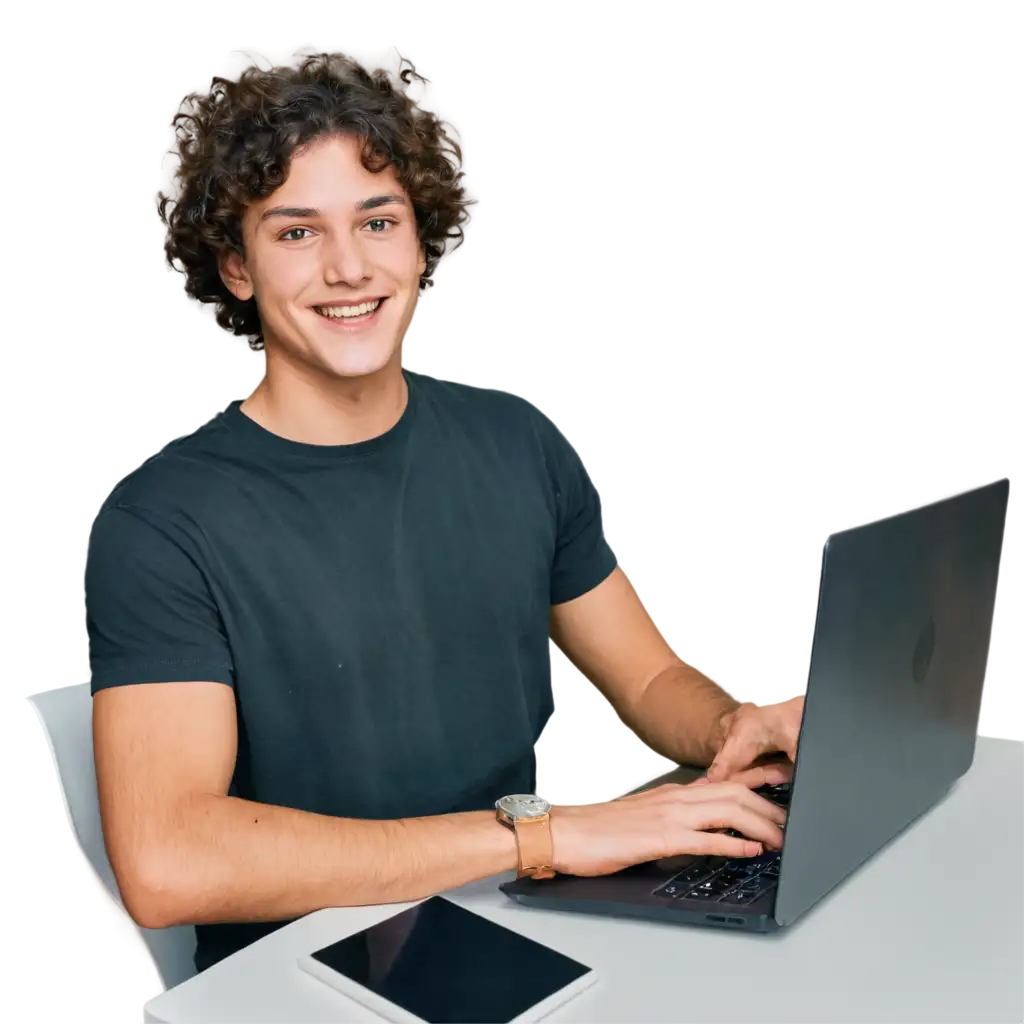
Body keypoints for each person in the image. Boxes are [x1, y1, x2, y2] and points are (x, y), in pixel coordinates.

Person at [80, 52, 804, 975]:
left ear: (419, 245)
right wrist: (545, 838)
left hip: (522, 920)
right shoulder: (159, 524)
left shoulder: (516, 442)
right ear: (235, 269)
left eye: (378, 222)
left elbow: (651, 678)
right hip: (317, 970)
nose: (350, 268)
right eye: (297, 234)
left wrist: (732, 730)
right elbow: (171, 862)